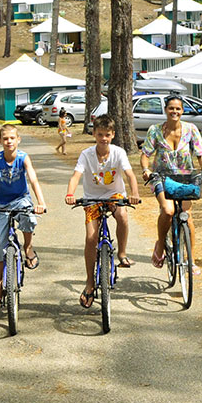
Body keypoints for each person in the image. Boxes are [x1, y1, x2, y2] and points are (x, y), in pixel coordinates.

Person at [64, 115, 141, 308]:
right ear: (94, 134)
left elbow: (130, 174)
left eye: (107, 135)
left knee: (122, 215)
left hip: (115, 195)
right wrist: (70, 193)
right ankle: (90, 282)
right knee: (91, 237)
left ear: (113, 135)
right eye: (100, 135)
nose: (103, 138)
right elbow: (76, 176)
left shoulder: (118, 153)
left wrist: (135, 193)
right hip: (92, 199)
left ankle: (121, 254)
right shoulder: (86, 154)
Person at [0, 124, 47, 310]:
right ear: (0, 141)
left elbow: (33, 179)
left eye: (12, 138)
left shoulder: (23, 158)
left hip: (21, 199)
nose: (9, 142)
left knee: (29, 219)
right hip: (1, 204)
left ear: (18, 140)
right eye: (5, 139)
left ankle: (28, 248)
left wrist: (41, 202)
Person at [139, 95, 202, 271]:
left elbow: (201, 153)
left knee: (187, 215)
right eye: (171, 108)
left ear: (182, 111)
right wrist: (146, 170)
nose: (174, 112)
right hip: (161, 177)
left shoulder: (191, 129)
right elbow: (145, 154)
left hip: (185, 178)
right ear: (165, 110)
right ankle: (161, 243)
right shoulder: (155, 131)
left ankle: (191, 260)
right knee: (168, 211)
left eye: (178, 109)